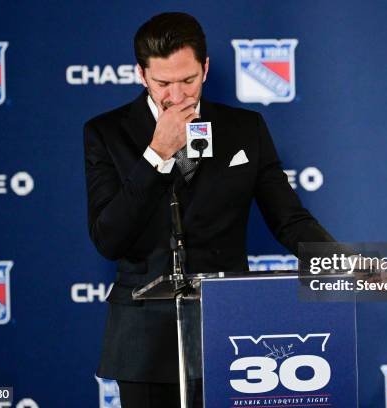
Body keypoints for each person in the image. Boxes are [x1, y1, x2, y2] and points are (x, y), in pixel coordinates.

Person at [83, 12, 334, 408]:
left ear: (206, 68)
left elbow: (289, 218)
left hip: (230, 330)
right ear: (141, 75)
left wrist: (337, 260)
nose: (178, 96)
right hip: (144, 339)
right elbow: (108, 239)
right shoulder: (106, 132)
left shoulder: (245, 128)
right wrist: (155, 155)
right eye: (163, 84)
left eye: (188, 80)